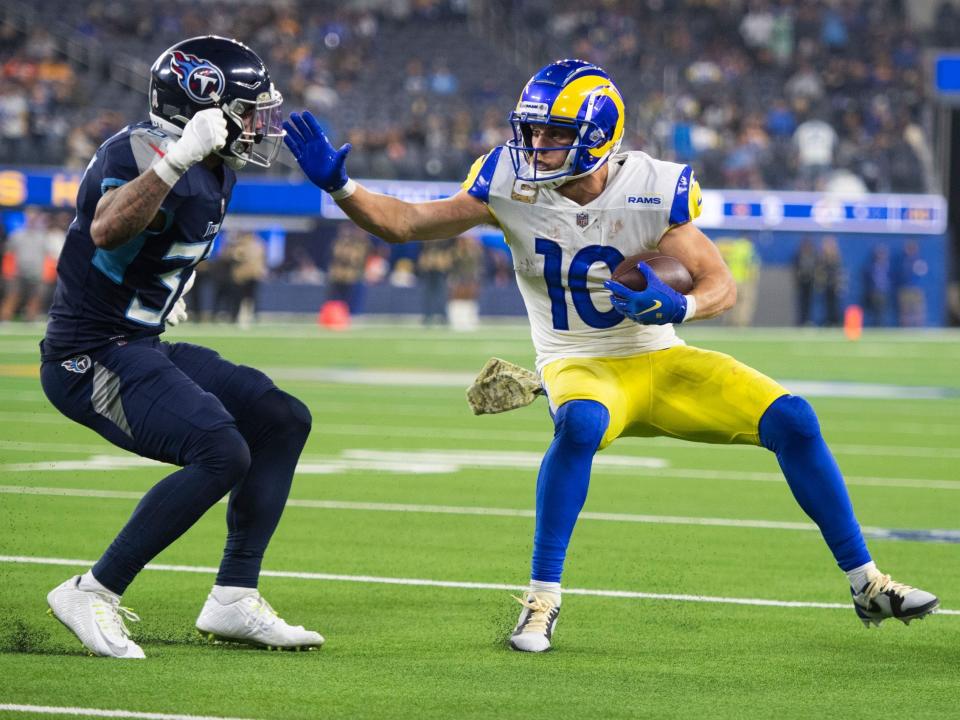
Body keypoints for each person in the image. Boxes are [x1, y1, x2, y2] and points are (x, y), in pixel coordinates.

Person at [283, 59, 938, 653]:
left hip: (657, 355)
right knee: (582, 424)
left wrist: (678, 308)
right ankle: (540, 602)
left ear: (597, 136)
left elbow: (719, 283)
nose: (535, 146)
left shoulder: (653, 186)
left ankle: (866, 582)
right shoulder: (507, 181)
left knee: (794, 418)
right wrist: (343, 188)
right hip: (577, 361)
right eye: (531, 132)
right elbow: (407, 223)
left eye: (552, 134)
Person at [41, 36, 323, 659]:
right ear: (203, 107)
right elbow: (107, 225)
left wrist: (172, 281)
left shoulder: (215, 168)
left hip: (139, 339)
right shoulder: (140, 149)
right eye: (248, 109)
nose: (259, 124)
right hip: (86, 357)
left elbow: (143, 248)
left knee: (282, 418)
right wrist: (174, 160)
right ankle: (94, 590)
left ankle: (232, 597)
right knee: (221, 450)